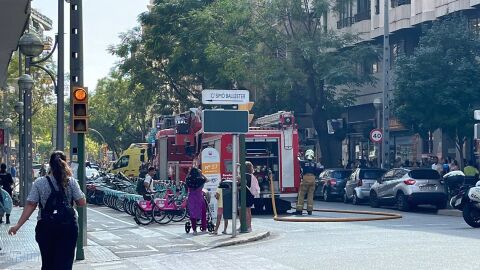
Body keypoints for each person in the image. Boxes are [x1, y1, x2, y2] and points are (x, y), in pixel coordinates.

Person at [8, 151, 86, 270]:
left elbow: (31, 204)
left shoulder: (40, 182)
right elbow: (81, 203)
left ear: (50, 164)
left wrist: (17, 226)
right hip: (68, 227)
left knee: (48, 263)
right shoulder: (71, 181)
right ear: (66, 163)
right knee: (65, 263)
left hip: (46, 228)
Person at [295, 149, 321, 215]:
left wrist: (298, 156)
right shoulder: (314, 164)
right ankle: (310, 210)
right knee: (310, 195)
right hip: (313, 179)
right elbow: (318, 170)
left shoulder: (304, 162)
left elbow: (299, 160)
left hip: (306, 178)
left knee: (302, 194)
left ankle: (299, 210)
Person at [186, 167, 207, 235]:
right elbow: (206, 180)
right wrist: (201, 174)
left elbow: (186, 179)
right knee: (203, 213)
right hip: (199, 198)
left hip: (191, 198)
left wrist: (188, 173)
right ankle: (204, 228)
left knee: (193, 214)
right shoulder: (200, 179)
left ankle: (194, 230)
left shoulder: (189, 179)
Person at [245, 161, 260, 232]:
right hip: (251, 195)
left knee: (245, 211)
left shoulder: (244, 176)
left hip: (245, 194)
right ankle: (249, 226)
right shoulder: (252, 176)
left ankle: (247, 226)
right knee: (249, 210)